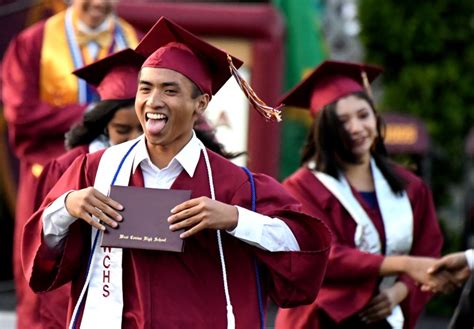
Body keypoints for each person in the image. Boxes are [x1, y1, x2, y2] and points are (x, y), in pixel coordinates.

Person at [22, 17, 332, 329]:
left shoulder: (234, 185)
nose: (153, 101)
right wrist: (67, 206)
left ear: (201, 104)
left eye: (169, 90)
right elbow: (41, 252)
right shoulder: (94, 170)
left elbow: (304, 247)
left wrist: (236, 218)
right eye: (146, 88)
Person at [274, 61, 444, 329]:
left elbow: (429, 249)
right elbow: (323, 255)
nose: (356, 128)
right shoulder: (301, 188)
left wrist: (399, 292)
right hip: (320, 321)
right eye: (342, 121)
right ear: (325, 130)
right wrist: (404, 264)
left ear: (376, 117)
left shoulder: (410, 186)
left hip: (385, 319)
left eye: (363, 115)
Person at [1, 1, 139, 328]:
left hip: (122, 177)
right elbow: (21, 116)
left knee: (117, 276)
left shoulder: (138, 44)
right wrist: (95, 114)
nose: (99, 3)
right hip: (49, 180)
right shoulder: (34, 43)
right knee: (42, 280)